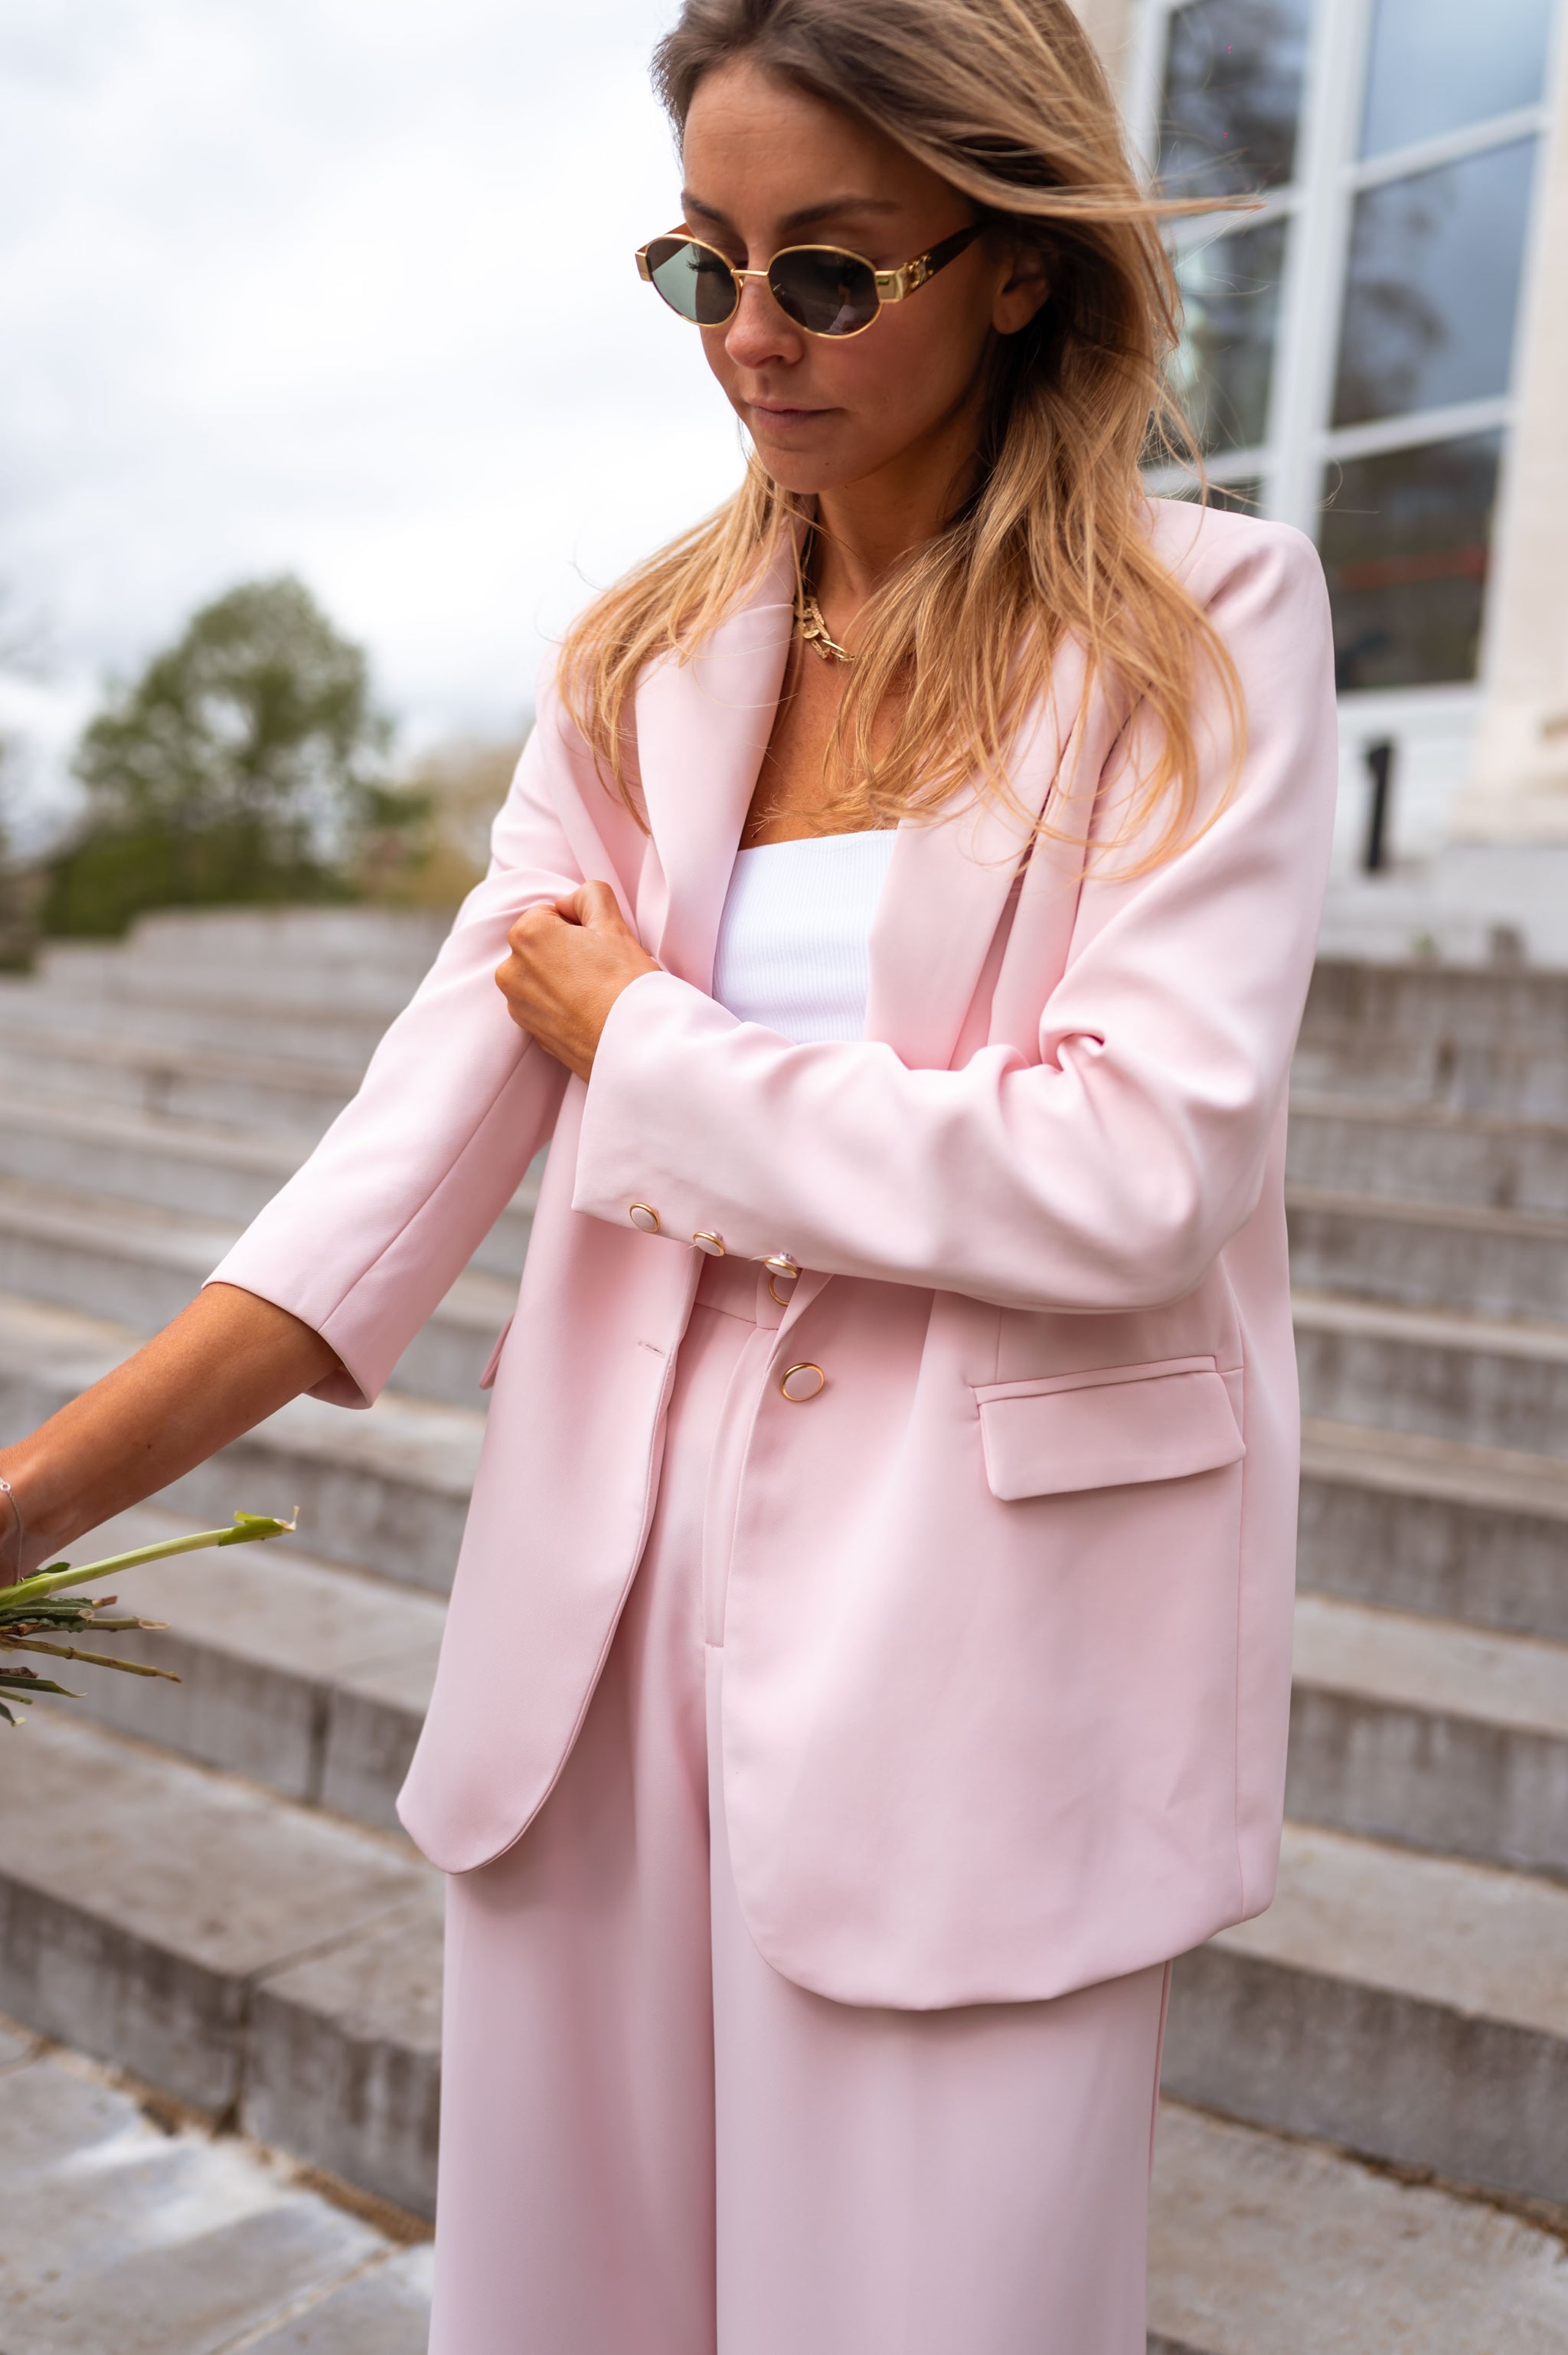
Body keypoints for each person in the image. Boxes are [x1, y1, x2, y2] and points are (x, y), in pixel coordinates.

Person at [0, 2, 1338, 2347]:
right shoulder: (632, 671)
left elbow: (1140, 1164)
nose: (747, 339)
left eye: (830, 273)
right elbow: (401, 1160)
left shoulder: (1211, 628)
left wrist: (650, 1047)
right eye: (698, 263)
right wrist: (29, 1496)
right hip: (598, 1642)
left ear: (1012, 263)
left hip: (986, 1659)